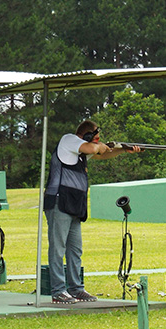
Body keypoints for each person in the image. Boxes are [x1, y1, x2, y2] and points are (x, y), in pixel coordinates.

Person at [44, 120, 141, 304]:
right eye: (95, 137)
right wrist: (100, 146)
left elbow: (102, 154)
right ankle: (58, 291)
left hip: (73, 203)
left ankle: (76, 289)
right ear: (86, 135)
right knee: (58, 248)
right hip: (59, 199)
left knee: (75, 249)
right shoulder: (69, 140)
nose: (98, 141)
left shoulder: (79, 151)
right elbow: (93, 150)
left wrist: (124, 150)